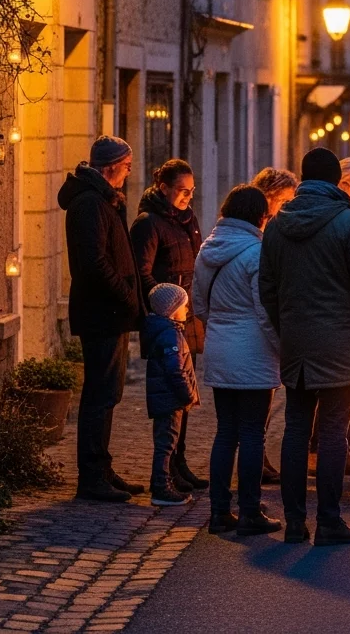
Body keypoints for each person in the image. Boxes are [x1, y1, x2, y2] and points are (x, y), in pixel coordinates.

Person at [260, 148, 350, 546]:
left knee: (296, 430)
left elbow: (267, 287)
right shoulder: (348, 222)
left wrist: (287, 326)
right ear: (335, 181)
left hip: (298, 342)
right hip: (341, 342)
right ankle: (329, 521)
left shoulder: (278, 225)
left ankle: (295, 522)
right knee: (334, 432)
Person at [58, 135, 145, 503]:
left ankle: (102, 469)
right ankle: (92, 476)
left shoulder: (102, 199)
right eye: (126, 167)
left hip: (110, 311)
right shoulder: (90, 203)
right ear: (111, 167)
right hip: (102, 311)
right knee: (99, 394)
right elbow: (94, 262)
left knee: (108, 393)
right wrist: (126, 294)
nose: (128, 173)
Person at [193, 184, 282, 537]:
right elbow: (265, 312)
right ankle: (249, 511)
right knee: (253, 434)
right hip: (254, 352)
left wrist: (221, 325)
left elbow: (199, 306)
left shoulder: (207, 249)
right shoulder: (257, 254)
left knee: (226, 432)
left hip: (220, 348)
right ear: (260, 217)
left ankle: (218, 512)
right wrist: (282, 348)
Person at [130, 159, 206, 493]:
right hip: (167, 319)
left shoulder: (188, 220)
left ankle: (179, 462)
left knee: (186, 390)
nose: (188, 196)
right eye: (181, 190)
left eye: (191, 191)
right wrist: (165, 304)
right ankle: (165, 468)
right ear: (163, 188)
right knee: (171, 394)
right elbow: (142, 272)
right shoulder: (148, 223)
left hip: (187, 316)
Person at [251, 167, 299, 483]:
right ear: (269, 197)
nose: (288, 205)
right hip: (259, 323)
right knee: (257, 399)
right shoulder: (258, 230)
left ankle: (260, 457)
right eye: (284, 199)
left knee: (268, 395)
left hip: (269, 317)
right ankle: (254, 461)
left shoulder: (277, 226)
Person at [142, 282, 199, 506]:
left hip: (165, 398)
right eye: (184, 306)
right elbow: (176, 370)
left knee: (166, 442)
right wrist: (188, 395)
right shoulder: (170, 335)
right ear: (173, 309)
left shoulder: (167, 332)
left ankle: (160, 482)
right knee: (166, 444)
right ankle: (161, 488)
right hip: (170, 400)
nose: (187, 309)